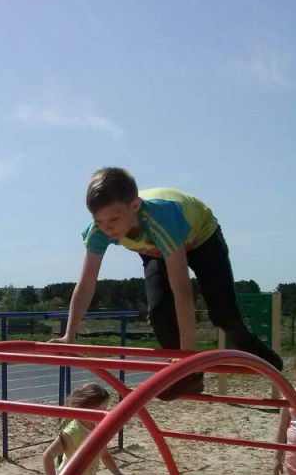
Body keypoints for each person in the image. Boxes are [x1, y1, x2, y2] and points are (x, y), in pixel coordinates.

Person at [54, 167, 283, 400]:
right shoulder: (99, 230)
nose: (107, 227)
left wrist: (188, 353)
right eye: (99, 220)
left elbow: (182, 291)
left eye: (114, 219)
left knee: (223, 314)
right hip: (157, 250)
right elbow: (86, 284)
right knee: (159, 312)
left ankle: (254, 350)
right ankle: (188, 377)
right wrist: (69, 335)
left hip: (202, 237)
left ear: (135, 206)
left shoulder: (159, 221)